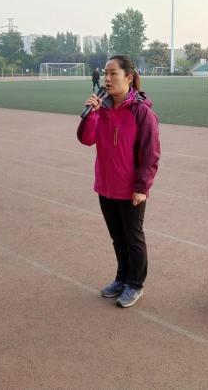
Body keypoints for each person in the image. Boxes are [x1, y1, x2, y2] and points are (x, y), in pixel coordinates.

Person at [77, 55, 160, 308]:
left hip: (130, 189)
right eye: (106, 73)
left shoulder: (141, 112)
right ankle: (122, 278)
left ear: (128, 77)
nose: (107, 78)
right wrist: (91, 114)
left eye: (113, 73)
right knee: (118, 238)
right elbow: (86, 139)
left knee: (133, 239)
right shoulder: (101, 109)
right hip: (106, 186)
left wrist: (141, 188)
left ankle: (135, 284)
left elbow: (151, 154)